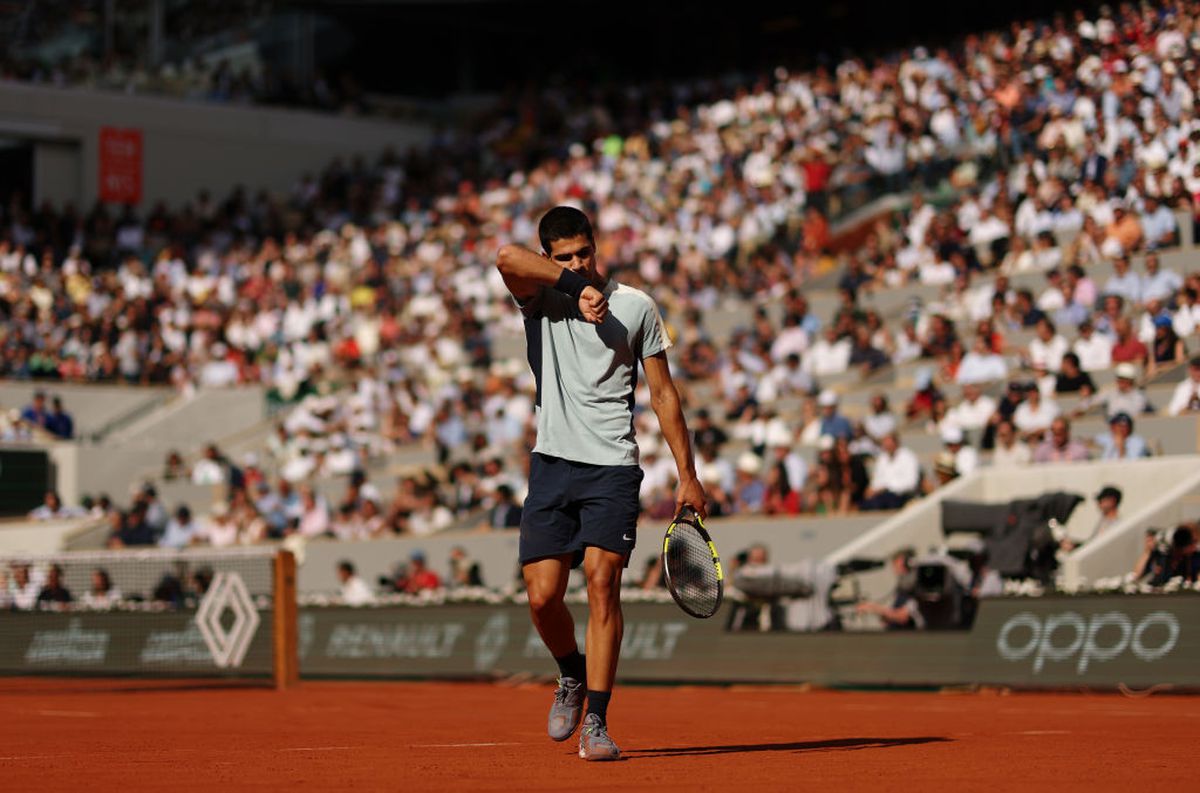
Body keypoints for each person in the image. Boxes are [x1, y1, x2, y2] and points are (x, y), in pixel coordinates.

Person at [496, 206, 706, 761]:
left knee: (601, 582)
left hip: (613, 467)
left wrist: (688, 475)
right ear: (550, 259)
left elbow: (663, 395)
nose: (578, 263)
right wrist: (572, 286)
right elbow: (504, 257)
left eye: (584, 253)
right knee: (542, 599)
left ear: (597, 245)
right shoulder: (540, 297)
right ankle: (571, 673)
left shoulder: (637, 306)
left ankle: (598, 721)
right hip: (551, 464)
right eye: (564, 257)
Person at [855, 548, 922, 629]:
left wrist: (873, 608)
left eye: (899, 565)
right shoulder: (902, 589)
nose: (896, 570)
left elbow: (903, 617)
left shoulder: (916, 588)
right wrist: (885, 617)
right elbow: (893, 616)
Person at [860, 432, 920, 511]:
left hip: (901, 495)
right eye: (885, 444)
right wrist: (872, 489)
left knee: (888, 502)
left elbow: (911, 483)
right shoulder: (882, 458)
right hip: (882, 495)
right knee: (865, 504)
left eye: (889, 443)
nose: (887, 446)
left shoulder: (908, 457)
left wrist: (887, 487)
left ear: (896, 443)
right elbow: (877, 480)